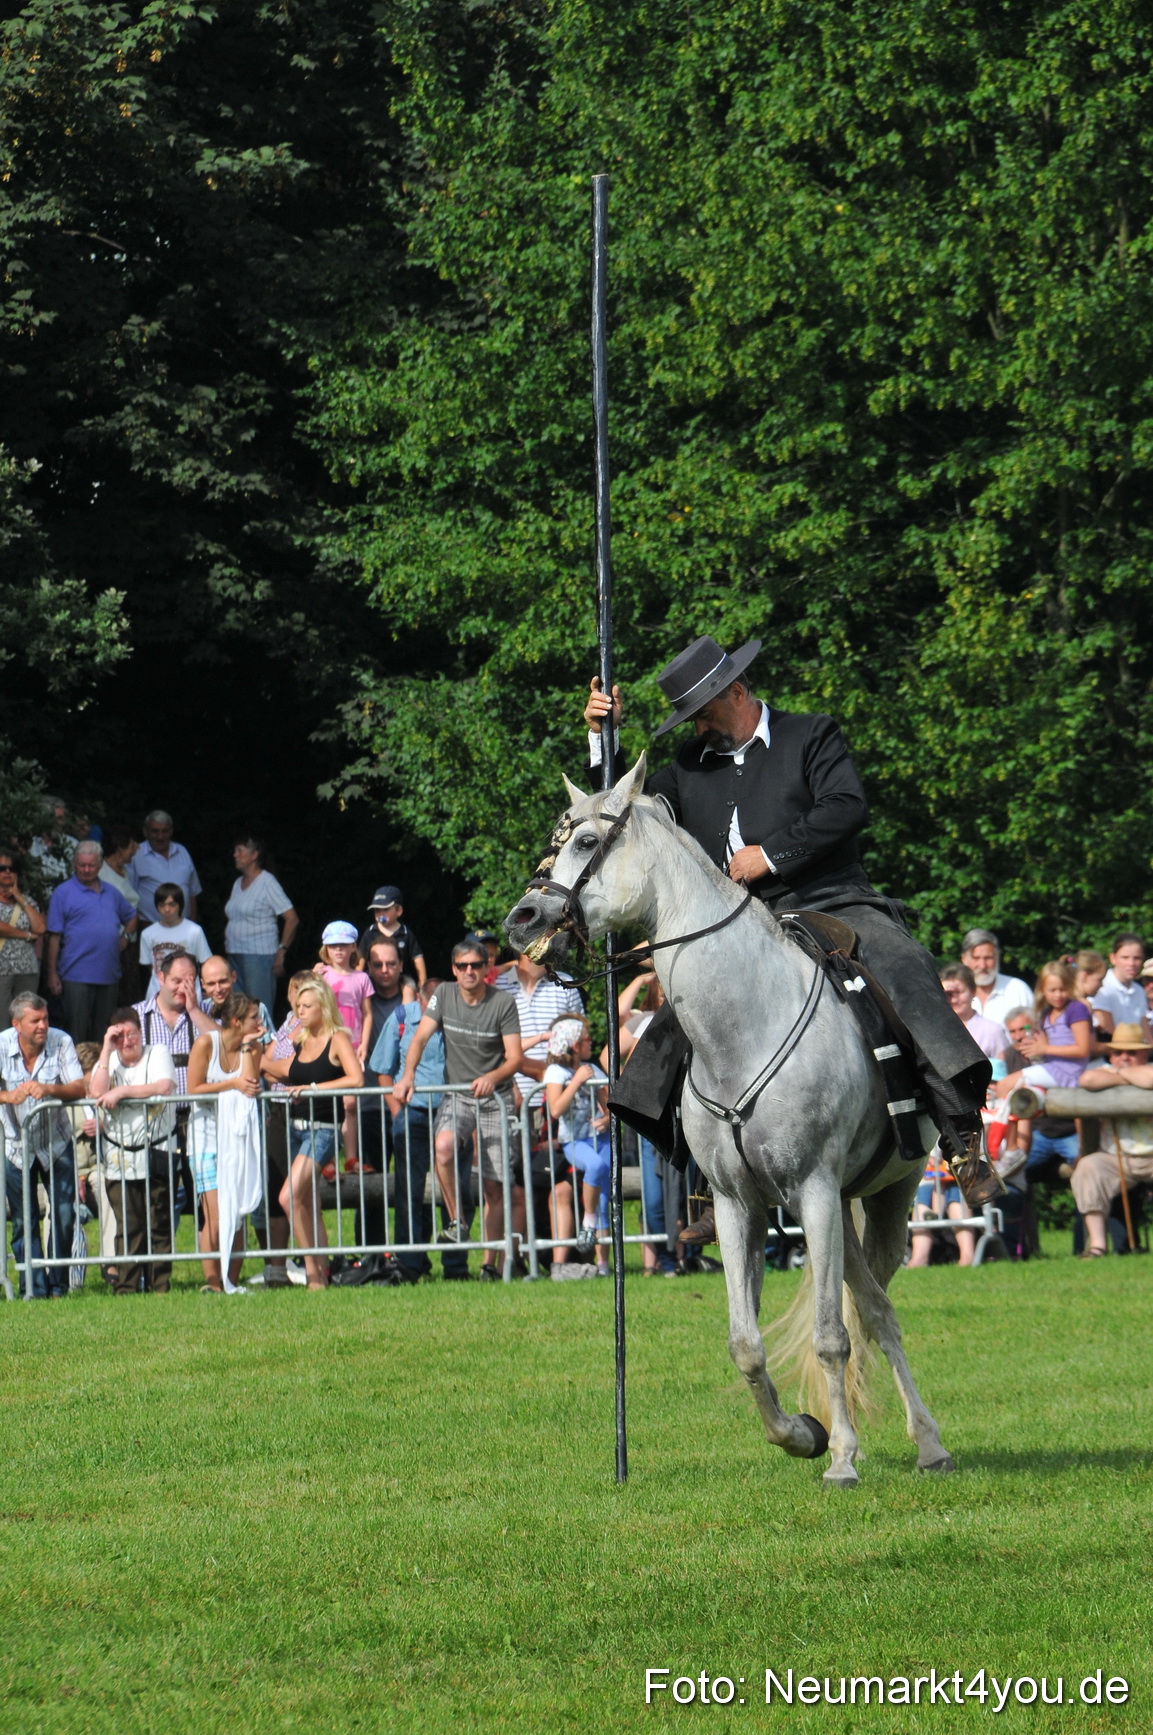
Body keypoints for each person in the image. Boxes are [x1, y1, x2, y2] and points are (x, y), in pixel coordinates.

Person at [585, 636, 997, 1215]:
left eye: (702, 714)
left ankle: (961, 1133)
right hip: (736, 922)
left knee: (902, 965)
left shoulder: (811, 734)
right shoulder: (686, 767)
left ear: (736, 692)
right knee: (684, 1012)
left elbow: (846, 805)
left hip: (831, 900)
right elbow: (626, 819)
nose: (697, 728)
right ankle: (711, 1171)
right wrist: (604, 740)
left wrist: (770, 854)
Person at [392, 938, 523, 1279]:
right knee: (444, 1147)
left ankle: (489, 1265)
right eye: (462, 966)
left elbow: (515, 1058)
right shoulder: (444, 995)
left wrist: (492, 1077)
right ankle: (457, 1221)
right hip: (459, 1095)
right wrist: (407, 1076)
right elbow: (419, 1038)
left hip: (496, 1098)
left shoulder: (503, 1002)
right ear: (454, 969)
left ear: (486, 969)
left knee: (495, 1186)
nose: (469, 971)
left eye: (475, 966)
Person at [263, 977, 362, 1289]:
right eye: (297, 1006)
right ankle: (322, 1271)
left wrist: (314, 1088)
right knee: (306, 1203)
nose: (299, 1012)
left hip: (323, 1130)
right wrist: (254, 1050)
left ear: (323, 1007)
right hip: (294, 1128)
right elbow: (276, 1068)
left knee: (288, 1196)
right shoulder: (300, 1040)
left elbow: (356, 1079)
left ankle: (313, 1276)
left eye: (306, 1006)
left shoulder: (338, 1039)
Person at [0, 992, 85, 1298]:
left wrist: (49, 1088)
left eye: (45, 1019)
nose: (42, 1025)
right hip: (15, 1145)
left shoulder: (61, 1041)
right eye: (34, 1020)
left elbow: (80, 1086)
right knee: (24, 1219)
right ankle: (31, 1287)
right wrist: (9, 1096)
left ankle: (59, 1285)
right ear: (16, 1024)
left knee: (63, 1214)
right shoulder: (1, 1044)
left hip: (56, 1142)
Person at [89, 1008, 177, 1295]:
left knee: (159, 1220)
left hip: (158, 1148)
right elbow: (97, 1091)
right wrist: (105, 1048)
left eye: (131, 1034)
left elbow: (164, 1086)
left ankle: (159, 1286)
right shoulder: (109, 1059)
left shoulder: (158, 1051)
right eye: (119, 1036)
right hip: (120, 1154)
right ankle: (127, 1287)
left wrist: (122, 1092)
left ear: (142, 1033)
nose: (127, 1041)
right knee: (129, 1224)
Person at [186, 992, 265, 1293]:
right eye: (254, 1017)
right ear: (236, 1021)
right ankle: (213, 1283)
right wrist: (230, 1083)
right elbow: (194, 1088)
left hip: (235, 1136)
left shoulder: (253, 1047)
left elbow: (249, 1084)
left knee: (237, 1211)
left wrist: (247, 1047)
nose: (259, 1022)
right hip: (205, 1136)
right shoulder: (206, 1043)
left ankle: (232, 1279)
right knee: (217, 1216)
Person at [373, 979, 447, 1281]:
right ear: (418, 998)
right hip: (412, 1111)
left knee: (455, 1190)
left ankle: (455, 1264)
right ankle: (410, 1263)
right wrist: (397, 1111)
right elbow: (382, 1069)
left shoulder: (455, 1015)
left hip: (450, 1111)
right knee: (410, 1190)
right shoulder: (401, 1019)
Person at [1070, 1025, 1153, 1257]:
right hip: (1117, 1158)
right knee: (1088, 1167)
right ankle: (1097, 1245)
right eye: (1118, 1053)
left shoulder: (1139, 1070)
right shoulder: (1103, 1071)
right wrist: (1127, 1076)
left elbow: (1150, 1078)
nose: (1123, 1058)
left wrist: (1119, 1076)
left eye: (1131, 1053)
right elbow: (1087, 1079)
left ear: (1145, 1054)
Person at [257, 971, 318, 1286]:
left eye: (305, 994)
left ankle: (315, 1270)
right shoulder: (285, 1024)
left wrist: (271, 1067)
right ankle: (277, 1269)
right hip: (279, 1113)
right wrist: (272, 1068)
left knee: (298, 1195)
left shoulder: (315, 1027)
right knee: (277, 1186)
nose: (298, 1001)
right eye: (295, 992)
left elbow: (293, 1069)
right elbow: (268, 1065)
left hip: (306, 1112)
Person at [45, 842, 138, 1043]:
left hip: (108, 974)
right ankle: (77, 1074)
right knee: (75, 1035)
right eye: (81, 865)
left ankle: (102, 1073)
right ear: (74, 864)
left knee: (105, 1034)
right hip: (75, 975)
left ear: (100, 864)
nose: (86, 870)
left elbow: (132, 916)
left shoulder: (112, 892)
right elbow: (53, 936)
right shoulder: (63, 892)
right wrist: (52, 973)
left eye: (91, 865)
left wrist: (126, 938)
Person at [544, 1016, 611, 1274]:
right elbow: (556, 1109)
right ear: (573, 1044)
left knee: (604, 1196)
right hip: (574, 1140)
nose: (590, 1041)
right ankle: (588, 1222)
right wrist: (576, 1082)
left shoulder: (590, 1067)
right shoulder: (556, 1072)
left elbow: (608, 1104)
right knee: (593, 1166)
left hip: (599, 1138)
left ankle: (603, 1265)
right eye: (584, 1038)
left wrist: (606, 1119)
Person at [314, 921, 373, 1174]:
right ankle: (326, 1160)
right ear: (326, 949)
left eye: (343, 945)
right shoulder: (321, 976)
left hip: (354, 1045)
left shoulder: (361, 978)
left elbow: (367, 1013)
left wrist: (364, 1046)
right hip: (326, 1048)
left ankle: (350, 1158)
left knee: (350, 1104)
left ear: (353, 947)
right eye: (333, 946)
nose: (338, 950)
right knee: (328, 1105)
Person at [224, 836, 298, 1014]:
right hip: (234, 954)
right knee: (238, 1011)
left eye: (240, 851)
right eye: (235, 851)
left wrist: (281, 951)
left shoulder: (267, 882)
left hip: (259, 957)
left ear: (254, 854)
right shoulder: (237, 883)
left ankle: (264, 1043)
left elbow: (292, 918)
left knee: (258, 1009)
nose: (235, 855)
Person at [505, 947, 584, 1101]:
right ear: (529, 954)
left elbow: (580, 1037)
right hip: (511, 1098)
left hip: (560, 1094)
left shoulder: (566, 983)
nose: (552, 952)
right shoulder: (498, 984)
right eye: (545, 947)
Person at [128, 810, 202, 926]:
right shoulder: (136, 855)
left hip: (183, 926)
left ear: (171, 831)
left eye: (165, 831)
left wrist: (192, 925)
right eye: (155, 831)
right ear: (145, 832)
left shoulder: (182, 851)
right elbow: (128, 896)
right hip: (150, 926)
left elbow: (192, 892)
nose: (160, 836)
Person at [139, 882, 211, 999]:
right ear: (157, 906)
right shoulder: (148, 933)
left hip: (188, 994)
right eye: (162, 905)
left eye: (172, 904)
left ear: (180, 905)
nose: (167, 909)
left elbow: (206, 962)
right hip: (157, 995)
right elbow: (149, 966)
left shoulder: (194, 931)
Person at [0, 850, 45, 1023]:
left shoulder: (28, 901)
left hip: (27, 970)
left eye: (12, 868)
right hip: (1, 970)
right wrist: (26, 935)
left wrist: (19, 897)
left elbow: (40, 928)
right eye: (2, 868)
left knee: (26, 1021)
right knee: (2, 1022)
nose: (7, 872)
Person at [958, 929, 1034, 1028]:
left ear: (997, 957)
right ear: (964, 959)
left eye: (988, 958)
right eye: (976, 958)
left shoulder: (1018, 990)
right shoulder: (954, 996)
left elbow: (1033, 1030)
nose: (982, 965)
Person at [359, 886, 426, 987]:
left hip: (401, 977)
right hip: (373, 976)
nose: (381, 914)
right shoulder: (370, 932)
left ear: (399, 911)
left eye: (385, 909)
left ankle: (407, 1003)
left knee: (409, 987)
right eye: (377, 910)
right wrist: (355, 978)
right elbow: (361, 958)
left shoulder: (405, 933)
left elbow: (417, 958)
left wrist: (422, 983)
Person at [1091, 933, 1151, 1043]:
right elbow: (1107, 1028)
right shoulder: (1103, 987)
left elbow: (1144, 1026)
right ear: (1113, 958)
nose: (1131, 963)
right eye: (1125, 958)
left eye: (1137, 958)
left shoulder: (1139, 991)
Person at [939, 962, 1007, 1060]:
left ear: (973, 991)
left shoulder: (992, 1031)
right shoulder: (934, 1029)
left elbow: (1003, 1069)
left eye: (959, 992)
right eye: (948, 994)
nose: (954, 999)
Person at [29, 795, 77, 895]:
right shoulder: (29, 845)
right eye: (54, 819)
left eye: (61, 818)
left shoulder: (74, 845)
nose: (59, 823)